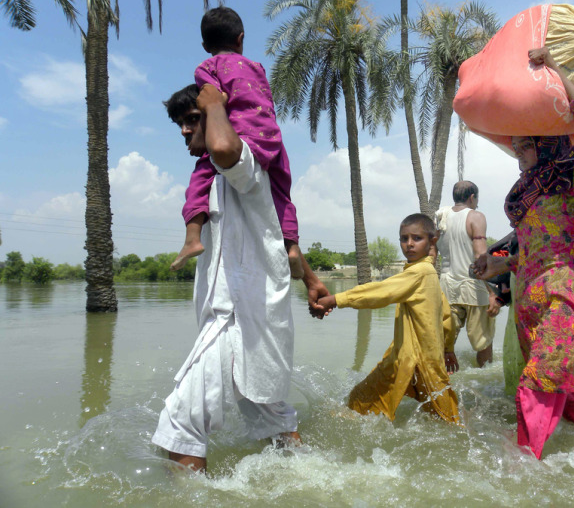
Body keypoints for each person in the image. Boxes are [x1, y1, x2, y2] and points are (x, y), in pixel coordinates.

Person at [152, 83, 331, 472]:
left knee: (180, 422)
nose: (184, 130)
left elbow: (226, 149)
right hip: (249, 324)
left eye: (192, 120)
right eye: (180, 123)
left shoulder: (243, 166)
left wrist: (215, 103)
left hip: (232, 321)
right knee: (272, 419)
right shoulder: (217, 178)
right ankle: (313, 479)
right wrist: (312, 281)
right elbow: (281, 244)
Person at [473, 47, 574, 459]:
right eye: (517, 146)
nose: (517, 154)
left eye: (524, 146)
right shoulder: (524, 195)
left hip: (564, 298)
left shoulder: (572, 176)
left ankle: (522, 473)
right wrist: (497, 264)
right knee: (565, 401)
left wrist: (556, 67)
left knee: (536, 386)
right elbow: (532, 256)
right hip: (528, 306)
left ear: (546, 143)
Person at [170, 6, 303, 280]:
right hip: (272, 141)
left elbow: (213, 102)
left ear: (205, 45)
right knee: (283, 195)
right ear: (241, 39)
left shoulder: (207, 68)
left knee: (199, 178)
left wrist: (203, 136)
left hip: (240, 138)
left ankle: (192, 237)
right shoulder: (257, 68)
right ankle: (292, 245)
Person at [317, 214, 461, 425]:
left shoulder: (420, 272)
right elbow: (446, 317)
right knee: (442, 419)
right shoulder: (428, 272)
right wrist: (448, 349)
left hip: (417, 361)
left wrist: (337, 299)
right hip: (413, 358)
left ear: (433, 241)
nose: (409, 244)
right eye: (404, 238)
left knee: (446, 419)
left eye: (416, 238)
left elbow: (381, 291)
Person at [435, 181, 500, 368]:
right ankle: (487, 382)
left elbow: (432, 253)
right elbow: (480, 258)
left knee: (445, 342)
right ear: (472, 197)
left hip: (447, 288)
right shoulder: (475, 217)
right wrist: (492, 292)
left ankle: (443, 383)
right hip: (474, 288)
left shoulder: (441, 217)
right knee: (484, 342)